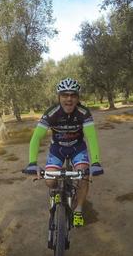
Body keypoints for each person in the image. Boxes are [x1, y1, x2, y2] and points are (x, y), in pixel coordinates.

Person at [23, 77, 103, 227]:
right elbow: (36, 138)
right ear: (59, 97)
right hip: (57, 149)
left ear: (78, 97)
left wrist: (96, 162)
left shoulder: (83, 112)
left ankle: (78, 210)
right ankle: (56, 193)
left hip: (77, 148)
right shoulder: (51, 112)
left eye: (73, 95)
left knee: (83, 177)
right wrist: (32, 163)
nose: (69, 99)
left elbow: (91, 137)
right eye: (65, 95)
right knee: (50, 181)